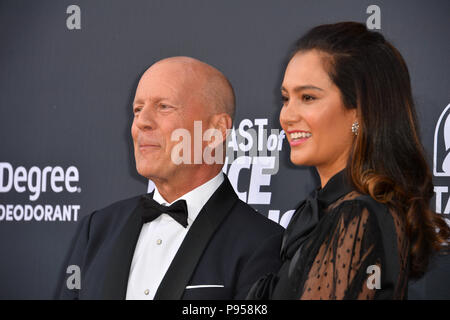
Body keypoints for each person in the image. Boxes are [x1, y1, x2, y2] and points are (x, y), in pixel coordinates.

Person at [247, 22, 450, 300]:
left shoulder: (357, 217)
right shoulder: (334, 211)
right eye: (285, 98)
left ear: (359, 111)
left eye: (307, 97)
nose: (286, 116)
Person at [55, 56, 284, 300]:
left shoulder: (262, 243)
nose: (141, 122)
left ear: (216, 132)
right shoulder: (98, 229)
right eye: (137, 109)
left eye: (163, 107)